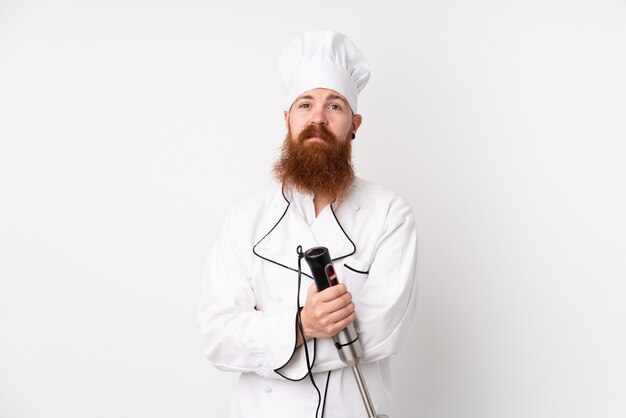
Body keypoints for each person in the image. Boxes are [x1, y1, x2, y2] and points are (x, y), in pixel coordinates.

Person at [198, 30, 418, 418]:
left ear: (355, 123)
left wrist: (269, 336)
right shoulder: (245, 220)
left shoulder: (389, 214)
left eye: (334, 106)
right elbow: (218, 337)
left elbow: (380, 332)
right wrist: (302, 325)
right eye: (305, 104)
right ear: (287, 120)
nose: (318, 118)